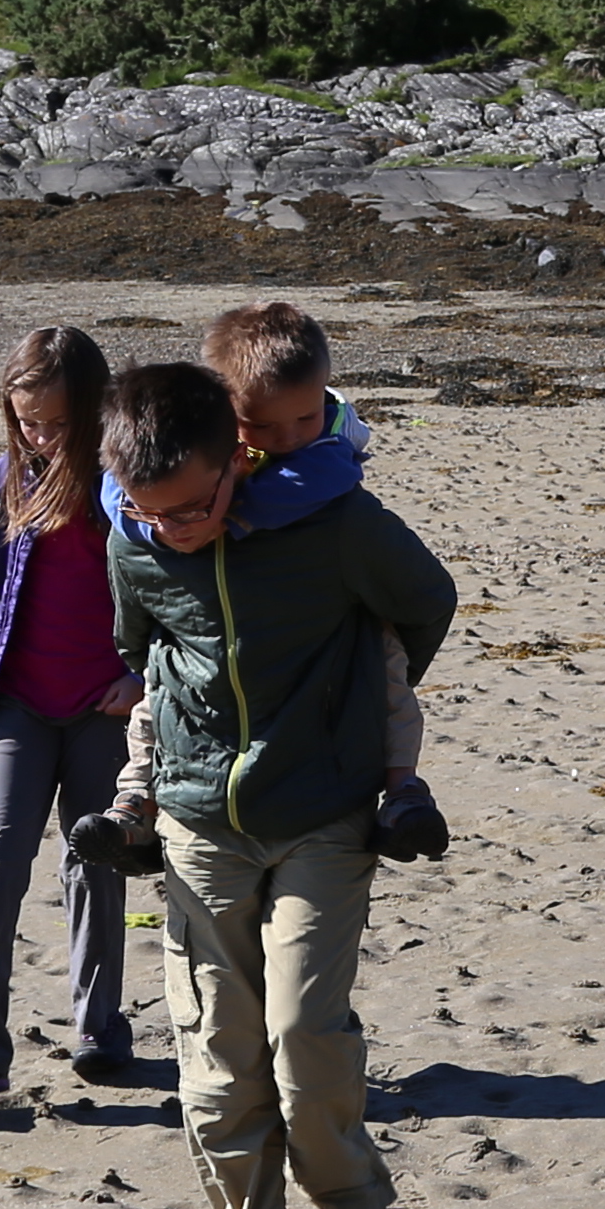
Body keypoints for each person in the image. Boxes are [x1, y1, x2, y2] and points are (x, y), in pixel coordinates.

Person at [96, 356, 460, 1209]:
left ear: (239, 462)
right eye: (146, 512)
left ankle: (349, 1194)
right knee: (217, 1065)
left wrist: (350, 723)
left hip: (324, 822)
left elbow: (427, 600)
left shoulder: (336, 526)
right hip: (197, 825)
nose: (168, 529)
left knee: (302, 1030)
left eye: (188, 509)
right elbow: (141, 647)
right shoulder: (137, 541)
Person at [0, 326, 162, 1098]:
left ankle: (101, 1031)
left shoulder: (120, 489)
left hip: (102, 711)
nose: (39, 436)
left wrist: (138, 675)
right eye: (26, 420)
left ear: (96, 413)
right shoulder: (1, 483)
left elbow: (163, 590)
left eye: (57, 423)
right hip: (20, 708)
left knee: (93, 863)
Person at [200, 298, 453, 862]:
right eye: (263, 424)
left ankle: (403, 788)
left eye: (304, 418)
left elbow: (320, 478)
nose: (289, 436)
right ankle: (135, 805)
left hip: (349, 600)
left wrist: (241, 512)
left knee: (386, 673)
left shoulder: (333, 437)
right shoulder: (204, 439)